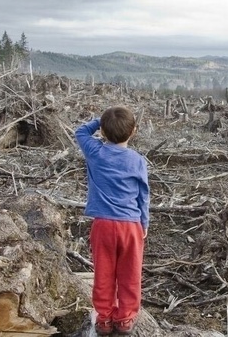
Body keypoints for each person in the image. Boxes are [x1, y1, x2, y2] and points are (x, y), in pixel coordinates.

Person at [74, 106, 150, 336]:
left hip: (103, 225)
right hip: (131, 225)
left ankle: (104, 319)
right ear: (133, 132)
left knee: (103, 274)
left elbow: (80, 132)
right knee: (130, 274)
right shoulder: (137, 160)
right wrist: (144, 223)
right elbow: (143, 195)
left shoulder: (95, 152)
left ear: (103, 132)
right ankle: (125, 319)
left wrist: (101, 121)